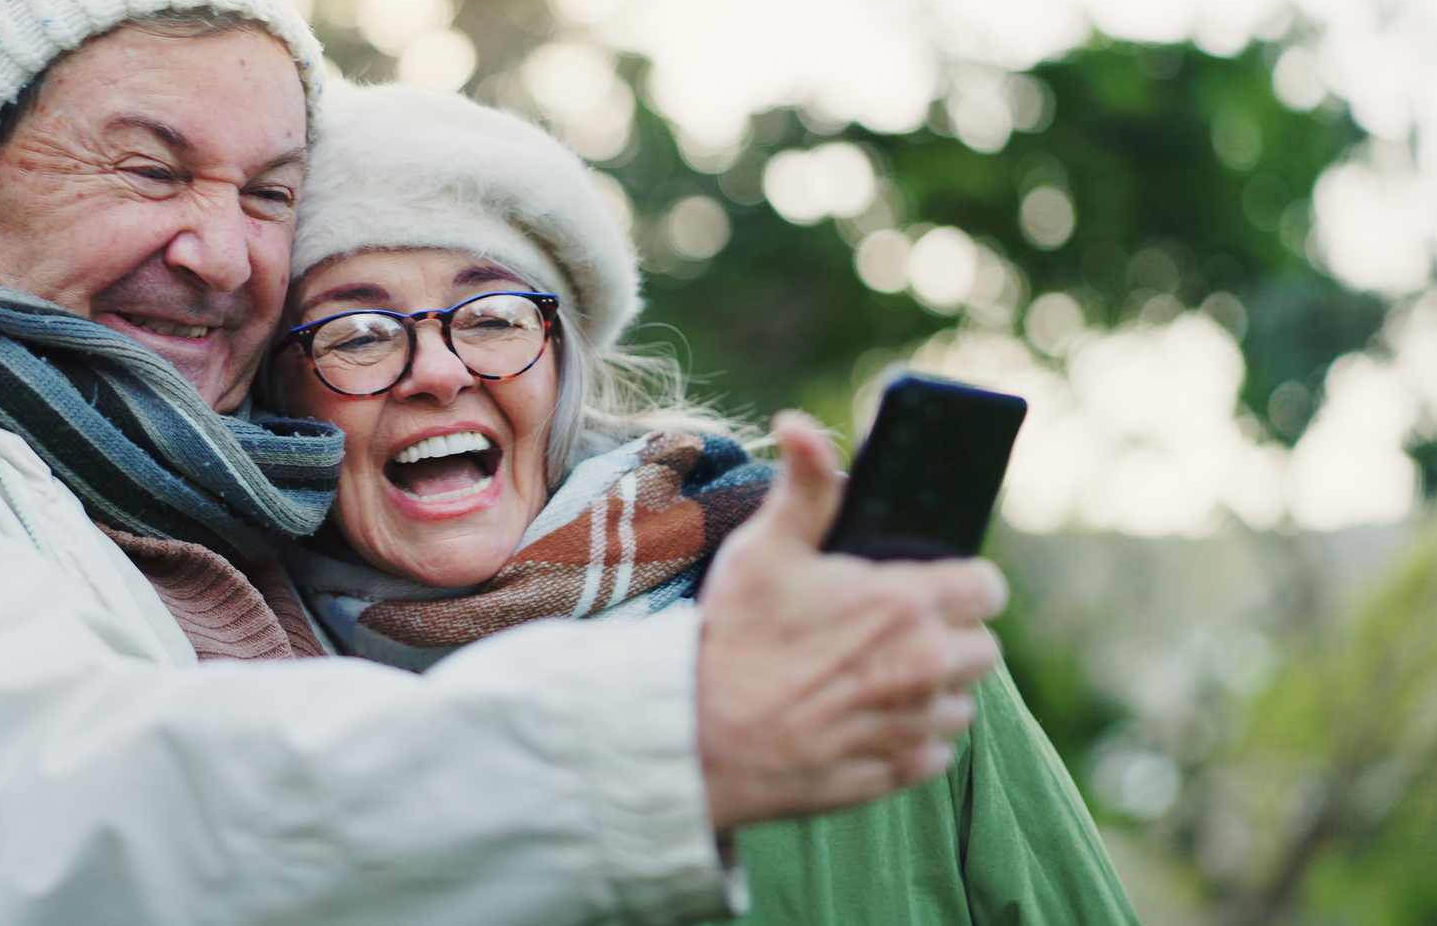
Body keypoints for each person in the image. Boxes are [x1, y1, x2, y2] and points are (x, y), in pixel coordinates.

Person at [0, 0, 1008, 925]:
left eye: (268, 194)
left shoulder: (202, 513)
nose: (223, 249)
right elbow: (42, 825)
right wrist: (659, 736)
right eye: (147, 168)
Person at [267, 82, 1140, 924]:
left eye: (494, 316)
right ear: (282, 399)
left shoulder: (863, 638)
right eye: (358, 334)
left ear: (564, 366)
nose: (440, 370)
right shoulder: (246, 713)